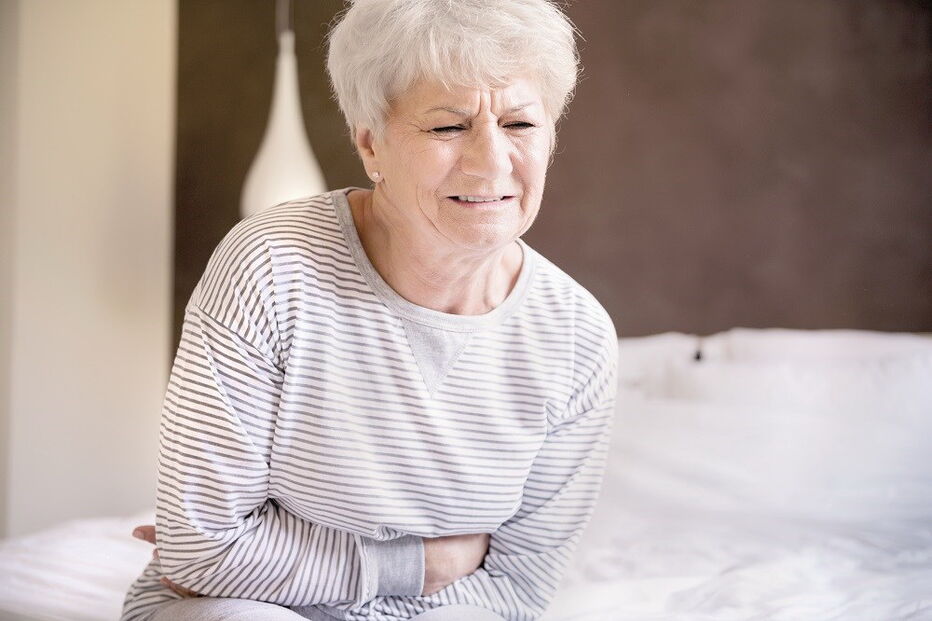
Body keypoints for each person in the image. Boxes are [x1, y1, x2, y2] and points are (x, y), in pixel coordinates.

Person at [121, 0, 618, 619]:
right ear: (370, 144)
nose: (491, 161)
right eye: (447, 127)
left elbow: (519, 587)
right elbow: (202, 555)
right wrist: (426, 563)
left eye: (519, 124)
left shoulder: (577, 335)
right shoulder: (272, 266)